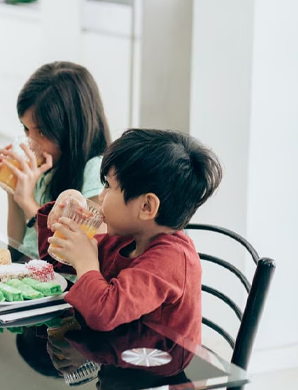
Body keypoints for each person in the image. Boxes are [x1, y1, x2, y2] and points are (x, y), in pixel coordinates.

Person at [39, 129, 223, 343]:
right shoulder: (126, 238)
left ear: (146, 206)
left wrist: (86, 262)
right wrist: (64, 207)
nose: (101, 195)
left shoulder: (170, 261)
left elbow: (103, 313)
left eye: (108, 186)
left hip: (156, 372)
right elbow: (54, 260)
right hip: (117, 357)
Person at [0, 61, 111, 259]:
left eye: (42, 132)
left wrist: (28, 202)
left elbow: (77, 252)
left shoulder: (96, 172)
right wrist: (13, 190)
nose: (31, 141)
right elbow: (17, 245)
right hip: (27, 267)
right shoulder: (48, 165)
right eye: (26, 128)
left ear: (72, 129)